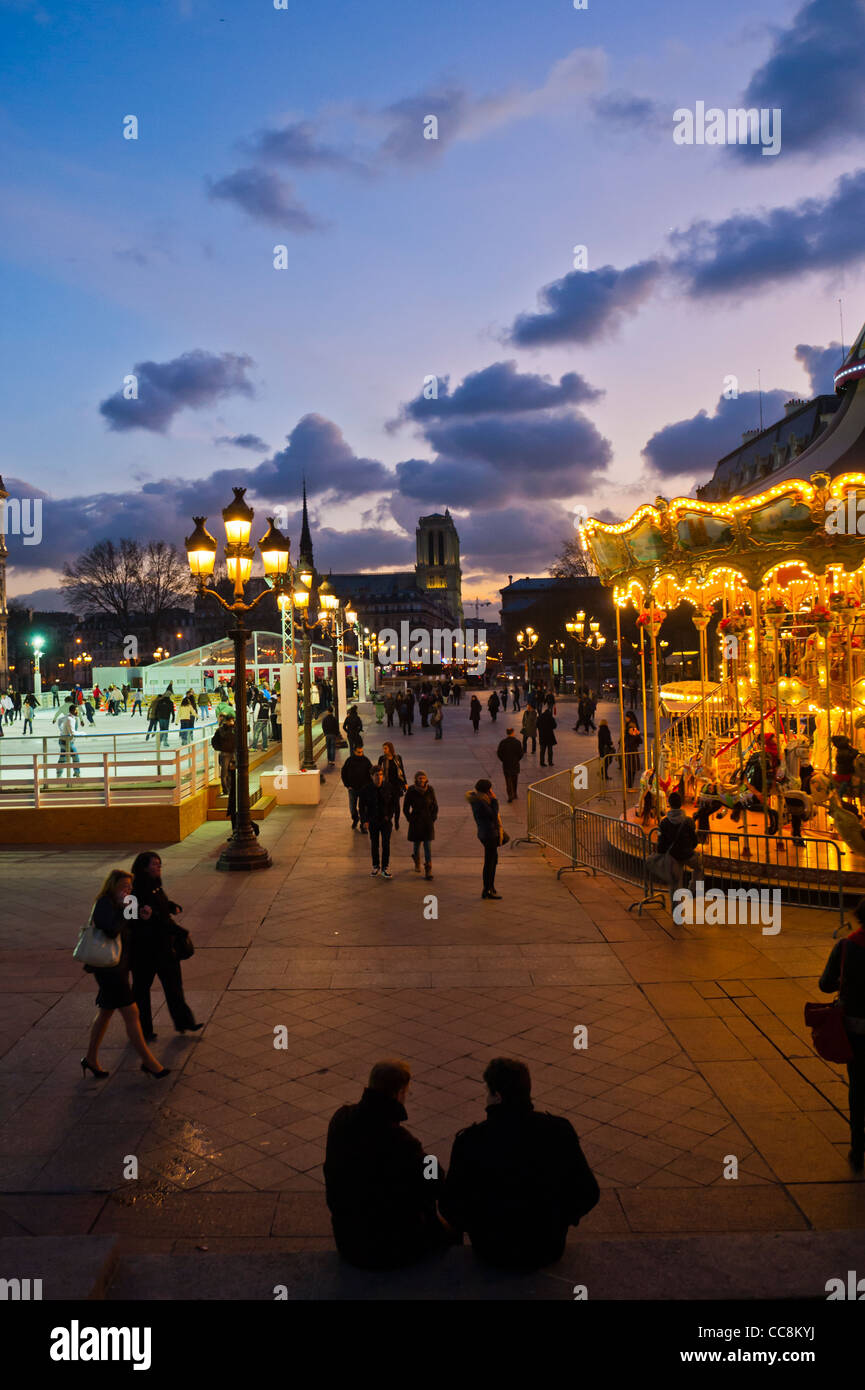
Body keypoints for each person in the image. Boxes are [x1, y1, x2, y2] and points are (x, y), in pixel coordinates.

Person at [440, 1057, 599, 1270]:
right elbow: (588, 1192)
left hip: (492, 1250)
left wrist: (479, 1226)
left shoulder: (471, 1141)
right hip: (547, 1247)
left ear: (497, 1096)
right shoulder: (558, 1131)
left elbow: (451, 1206)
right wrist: (561, 1220)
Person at [323, 1059, 452, 1269]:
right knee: (448, 1232)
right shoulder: (401, 1141)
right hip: (390, 1246)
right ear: (399, 1093)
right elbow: (434, 1178)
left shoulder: (341, 1119)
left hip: (348, 1238)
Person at [80, 869, 169, 1079]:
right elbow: (111, 929)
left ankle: (91, 1059)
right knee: (131, 1013)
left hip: (119, 965)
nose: (128, 890)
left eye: (130, 887)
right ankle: (149, 1062)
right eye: (124, 887)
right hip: (108, 969)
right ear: (113, 886)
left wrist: (143, 914)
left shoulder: (123, 903)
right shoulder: (103, 903)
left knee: (106, 1012)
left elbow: (131, 925)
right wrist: (124, 909)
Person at [130, 851, 202, 1041]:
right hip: (145, 951)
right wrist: (180, 931)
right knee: (141, 992)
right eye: (154, 864)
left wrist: (171, 906)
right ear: (144, 867)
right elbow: (151, 919)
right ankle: (143, 1030)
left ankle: (185, 1022)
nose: (158, 867)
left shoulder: (154, 886)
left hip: (163, 949)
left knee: (174, 987)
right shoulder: (135, 890)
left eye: (159, 863)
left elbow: (159, 907)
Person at [818, 902, 865, 1171]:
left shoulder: (846, 947)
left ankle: (858, 1149)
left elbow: (825, 984)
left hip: (856, 1029)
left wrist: (844, 983)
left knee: (858, 1089)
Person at [655, 791, 702, 890]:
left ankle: (676, 904)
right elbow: (694, 841)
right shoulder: (688, 821)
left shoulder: (664, 823)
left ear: (669, 804)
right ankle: (694, 888)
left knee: (675, 886)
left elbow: (661, 845)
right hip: (687, 854)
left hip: (672, 857)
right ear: (680, 804)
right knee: (699, 867)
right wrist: (688, 848)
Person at [466, 778, 503, 900]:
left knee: (492, 860)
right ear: (487, 790)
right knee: (490, 863)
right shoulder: (481, 802)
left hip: (486, 833)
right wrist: (494, 800)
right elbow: (492, 815)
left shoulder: (478, 799)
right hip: (489, 834)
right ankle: (488, 889)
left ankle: (489, 887)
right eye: (490, 789)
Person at [359, 767, 398, 878]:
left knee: (386, 844)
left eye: (381, 774)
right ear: (371, 776)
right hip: (373, 821)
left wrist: (390, 816)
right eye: (376, 775)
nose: (379, 777)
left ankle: (385, 867)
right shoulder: (366, 789)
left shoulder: (388, 787)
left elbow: (394, 804)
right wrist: (364, 820)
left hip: (385, 821)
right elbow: (361, 807)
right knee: (374, 844)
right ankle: (376, 866)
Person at [403, 770, 437, 880]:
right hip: (416, 821)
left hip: (427, 821)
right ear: (416, 779)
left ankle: (428, 869)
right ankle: (417, 861)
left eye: (423, 778)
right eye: (419, 778)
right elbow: (405, 807)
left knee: (427, 846)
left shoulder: (430, 790)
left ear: (426, 779)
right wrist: (410, 818)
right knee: (417, 845)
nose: (421, 780)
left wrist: (433, 818)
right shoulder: (411, 790)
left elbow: (435, 805)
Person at [341, 741, 374, 831]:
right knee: (352, 807)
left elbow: (371, 773)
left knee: (363, 807)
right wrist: (347, 785)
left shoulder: (366, 760)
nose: (361, 754)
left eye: (362, 752)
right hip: (353, 788)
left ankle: (363, 824)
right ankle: (355, 819)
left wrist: (369, 785)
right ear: (354, 752)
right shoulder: (349, 761)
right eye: (359, 752)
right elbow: (343, 773)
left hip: (364, 788)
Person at [377, 742, 407, 829]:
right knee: (387, 803)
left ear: (390, 748)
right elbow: (378, 771)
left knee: (396, 804)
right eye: (383, 748)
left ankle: (396, 821)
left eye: (385, 748)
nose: (384, 750)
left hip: (396, 785)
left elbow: (402, 770)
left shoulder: (398, 758)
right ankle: (389, 819)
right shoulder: (382, 759)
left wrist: (405, 783)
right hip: (386, 785)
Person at [497, 728, 524, 803]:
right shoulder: (517, 742)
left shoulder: (503, 742)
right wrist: (517, 759)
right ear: (513, 733)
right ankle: (514, 793)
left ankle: (510, 795)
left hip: (506, 764)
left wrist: (503, 760)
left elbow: (499, 753)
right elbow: (521, 754)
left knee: (508, 781)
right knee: (514, 780)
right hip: (515, 764)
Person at [53, 702, 80, 778]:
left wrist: (61, 730)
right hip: (66, 741)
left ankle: (59, 774)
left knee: (62, 758)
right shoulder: (69, 718)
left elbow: (59, 720)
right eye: (76, 710)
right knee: (75, 756)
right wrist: (81, 733)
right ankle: (77, 772)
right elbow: (72, 732)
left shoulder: (68, 717)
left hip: (64, 740)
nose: (78, 712)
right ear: (72, 711)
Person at [211, 714, 236, 795]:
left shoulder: (235, 728)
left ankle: (230, 789)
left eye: (233, 720)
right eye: (230, 721)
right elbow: (215, 740)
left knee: (231, 771)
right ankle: (226, 790)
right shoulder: (222, 730)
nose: (232, 722)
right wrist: (219, 748)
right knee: (224, 772)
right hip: (225, 753)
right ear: (227, 721)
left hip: (233, 752)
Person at [624, 714, 642, 790]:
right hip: (629, 753)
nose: (632, 730)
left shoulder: (633, 733)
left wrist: (637, 735)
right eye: (631, 729)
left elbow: (641, 741)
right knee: (630, 770)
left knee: (633, 770)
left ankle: (630, 785)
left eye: (633, 729)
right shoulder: (627, 735)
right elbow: (628, 743)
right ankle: (629, 786)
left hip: (634, 753)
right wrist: (634, 736)